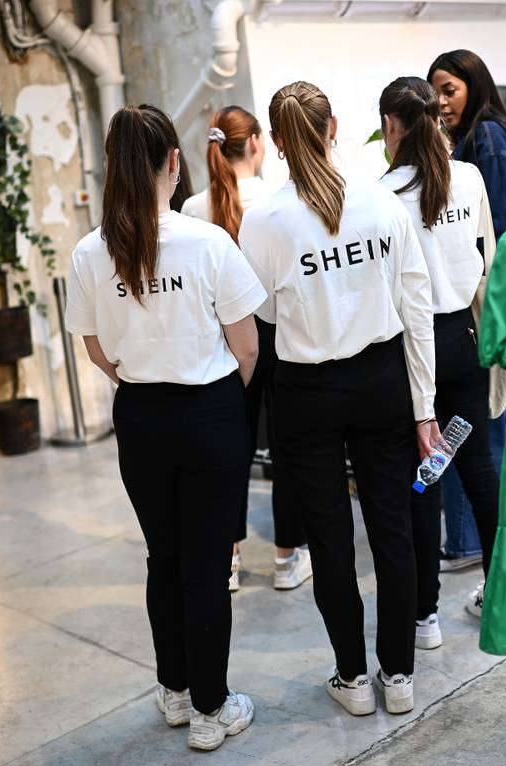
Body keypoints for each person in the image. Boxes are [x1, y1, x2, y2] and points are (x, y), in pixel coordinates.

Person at [65, 104, 264, 752]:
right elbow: (249, 347)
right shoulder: (207, 242)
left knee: (165, 558)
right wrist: (211, 398)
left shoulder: (91, 252)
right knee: (207, 567)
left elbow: (95, 348)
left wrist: (141, 383)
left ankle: (176, 692)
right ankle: (212, 710)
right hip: (208, 412)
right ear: (174, 165)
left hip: (141, 418)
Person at [238, 81, 437, 717]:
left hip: (307, 392)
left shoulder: (265, 220)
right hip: (382, 382)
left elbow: (263, 310)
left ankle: (353, 677)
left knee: (328, 538)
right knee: (392, 531)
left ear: (277, 141)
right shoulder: (381, 204)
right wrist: (424, 405)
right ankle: (398, 675)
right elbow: (417, 308)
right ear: (333, 127)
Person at [377, 76, 501, 652]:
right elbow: (487, 260)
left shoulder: (383, 196)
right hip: (466, 339)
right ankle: (503, 594)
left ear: (391, 126)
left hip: (412, 352)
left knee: (422, 483)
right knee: (477, 468)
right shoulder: (469, 178)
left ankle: (424, 617)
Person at [182, 105, 312, 594]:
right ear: (256, 143)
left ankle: (229, 561)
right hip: (278, 337)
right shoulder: (275, 201)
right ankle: (286, 559)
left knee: (229, 454)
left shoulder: (195, 209)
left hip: (224, 343)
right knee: (288, 451)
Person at [428, 49, 506, 616]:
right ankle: (467, 541)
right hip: (476, 305)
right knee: (475, 427)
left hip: (485, 304)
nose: (442, 103)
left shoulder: (486, 139)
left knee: (481, 426)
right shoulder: (472, 139)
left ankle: (469, 542)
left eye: (450, 90)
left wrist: (501, 298)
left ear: (474, 85)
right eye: (435, 93)